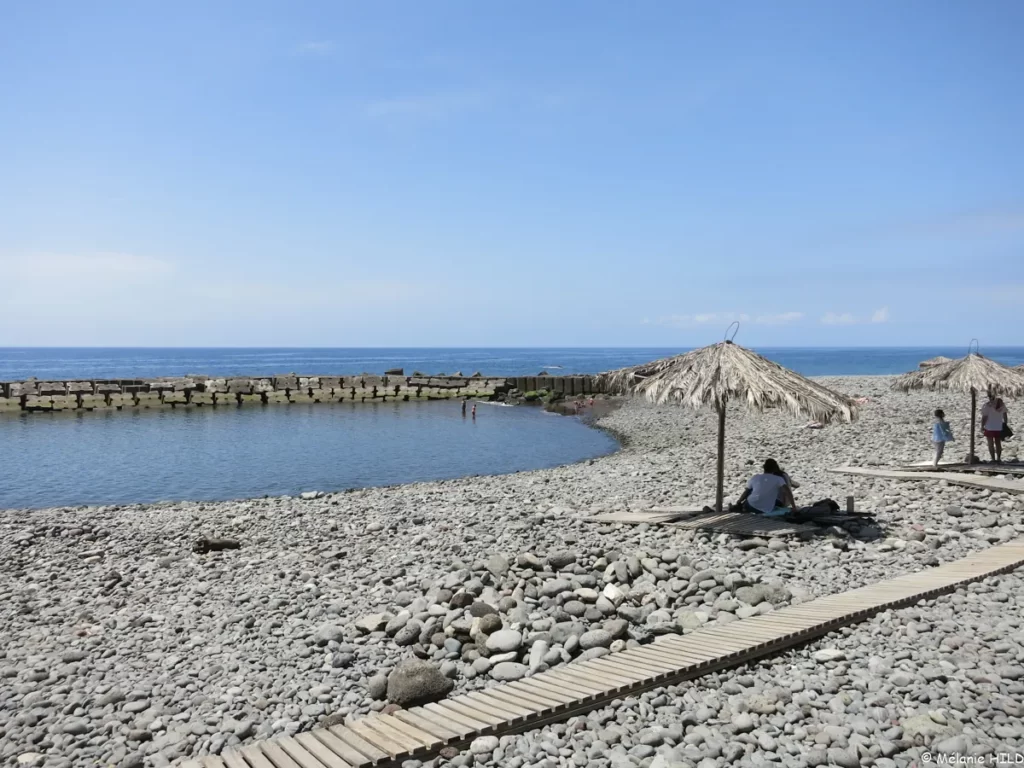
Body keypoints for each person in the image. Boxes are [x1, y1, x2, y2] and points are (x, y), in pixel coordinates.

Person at [980, 391, 1009, 463]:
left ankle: (993, 459)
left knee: (990, 443)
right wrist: (1005, 423)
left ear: (988, 396)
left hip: (989, 427)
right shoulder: (1001, 404)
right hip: (998, 426)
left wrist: (982, 426)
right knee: (998, 443)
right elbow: (1005, 415)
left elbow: (984, 417)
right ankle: (998, 458)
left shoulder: (987, 405)